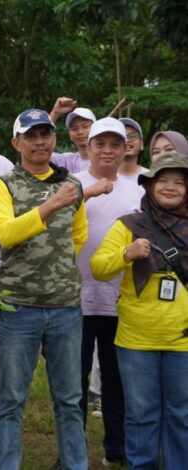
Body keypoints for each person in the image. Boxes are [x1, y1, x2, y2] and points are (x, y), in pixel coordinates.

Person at [0, 109, 88, 469]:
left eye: (46, 134)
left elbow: (78, 235)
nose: (40, 141)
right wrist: (49, 205)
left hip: (64, 307)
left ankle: (76, 464)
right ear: (16, 142)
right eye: (31, 135)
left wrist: (54, 270)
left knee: (70, 398)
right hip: (19, 307)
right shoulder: (2, 185)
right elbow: (5, 233)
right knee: (12, 398)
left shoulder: (72, 185)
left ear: (54, 139)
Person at [90, 152, 188, 469]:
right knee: (141, 414)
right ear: (150, 185)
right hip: (136, 341)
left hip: (183, 341)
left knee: (181, 414)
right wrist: (126, 253)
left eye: (179, 182)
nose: (171, 187)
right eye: (164, 180)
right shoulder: (130, 225)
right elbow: (99, 268)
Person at [74, 117, 143, 466]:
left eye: (115, 144)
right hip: (77, 301)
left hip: (121, 301)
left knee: (117, 380)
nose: (107, 150)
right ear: (88, 147)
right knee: (75, 380)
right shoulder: (72, 185)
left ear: (124, 149)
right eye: (100, 144)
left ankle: (116, 449)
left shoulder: (137, 191)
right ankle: (73, 452)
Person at [49, 98, 96, 173]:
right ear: (70, 135)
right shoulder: (66, 161)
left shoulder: (107, 158)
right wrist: (55, 113)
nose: (80, 132)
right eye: (74, 129)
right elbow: (39, 156)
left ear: (96, 129)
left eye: (85, 126)